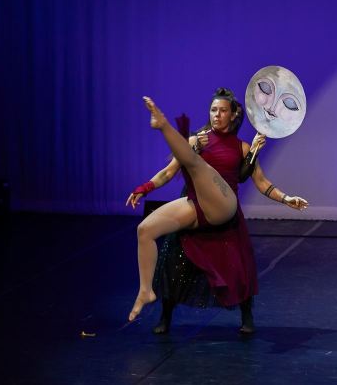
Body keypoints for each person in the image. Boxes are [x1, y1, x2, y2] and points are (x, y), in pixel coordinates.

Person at [126, 88, 308, 333]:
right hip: (195, 206)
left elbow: (262, 183)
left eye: (222, 111)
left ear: (233, 115)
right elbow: (168, 173)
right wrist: (144, 188)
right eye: (213, 110)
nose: (217, 115)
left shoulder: (242, 148)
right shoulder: (196, 141)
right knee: (159, 244)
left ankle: (247, 317)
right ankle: (157, 306)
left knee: (238, 268)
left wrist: (286, 199)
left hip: (224, 208)